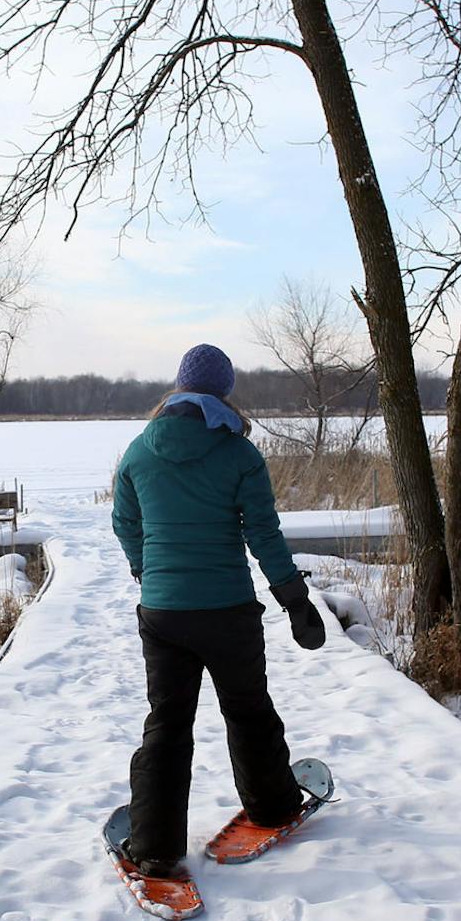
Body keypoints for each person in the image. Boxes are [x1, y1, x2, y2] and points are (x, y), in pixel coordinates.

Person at [110, 342, 328, 879]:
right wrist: (294, 601)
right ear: (224, 391)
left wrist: (147, 570)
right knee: (248, 709)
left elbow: (124, 524)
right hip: (228, 611)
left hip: (163, 613)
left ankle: (156, 844)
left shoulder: (138, 451)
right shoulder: (239, 453)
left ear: (179, 386)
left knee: (167, 722)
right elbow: (263, 534)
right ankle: (274, 805)